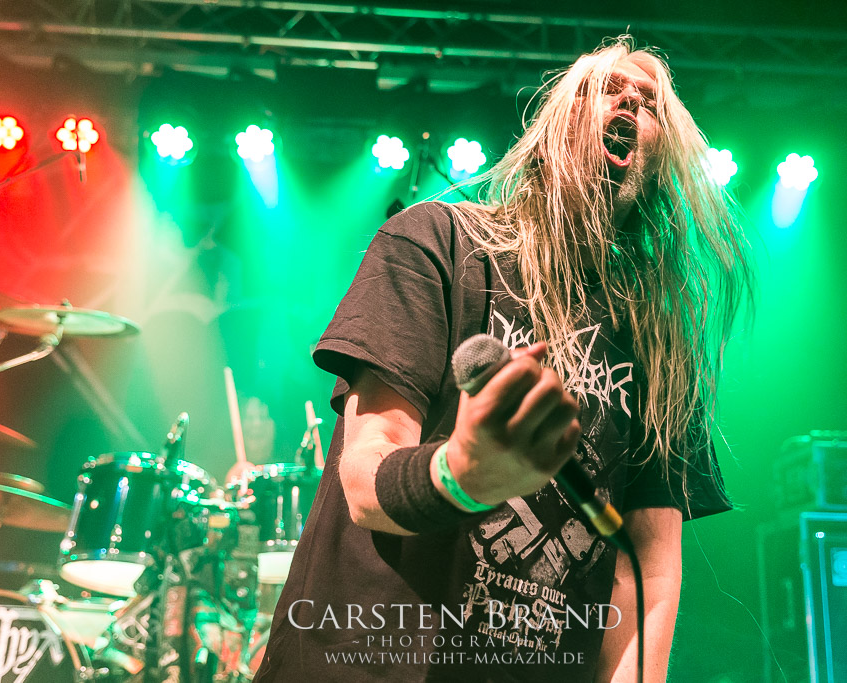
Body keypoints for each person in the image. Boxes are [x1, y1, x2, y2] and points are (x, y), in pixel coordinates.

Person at [253, 35, 753, 683]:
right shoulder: (437, 242)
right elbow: (364, 476)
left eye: (650, 101)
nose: (630, 100)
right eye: (606, 88)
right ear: (549, 133)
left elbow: (647, 567)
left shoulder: (656, 338)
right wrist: (461, 474)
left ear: (660, 161)